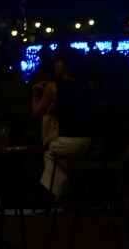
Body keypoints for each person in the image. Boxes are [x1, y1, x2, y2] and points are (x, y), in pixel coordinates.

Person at [31, 45, 95, 199]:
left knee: (48, 151)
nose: (55, 64)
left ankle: (53, 195)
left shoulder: (53, 87)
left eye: (58, 61)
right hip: (87, 141)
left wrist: (35, 92)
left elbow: (37, 112)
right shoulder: (89, 85)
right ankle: (61, 193)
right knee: (60, 160)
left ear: (66, 66)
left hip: (66, 142)